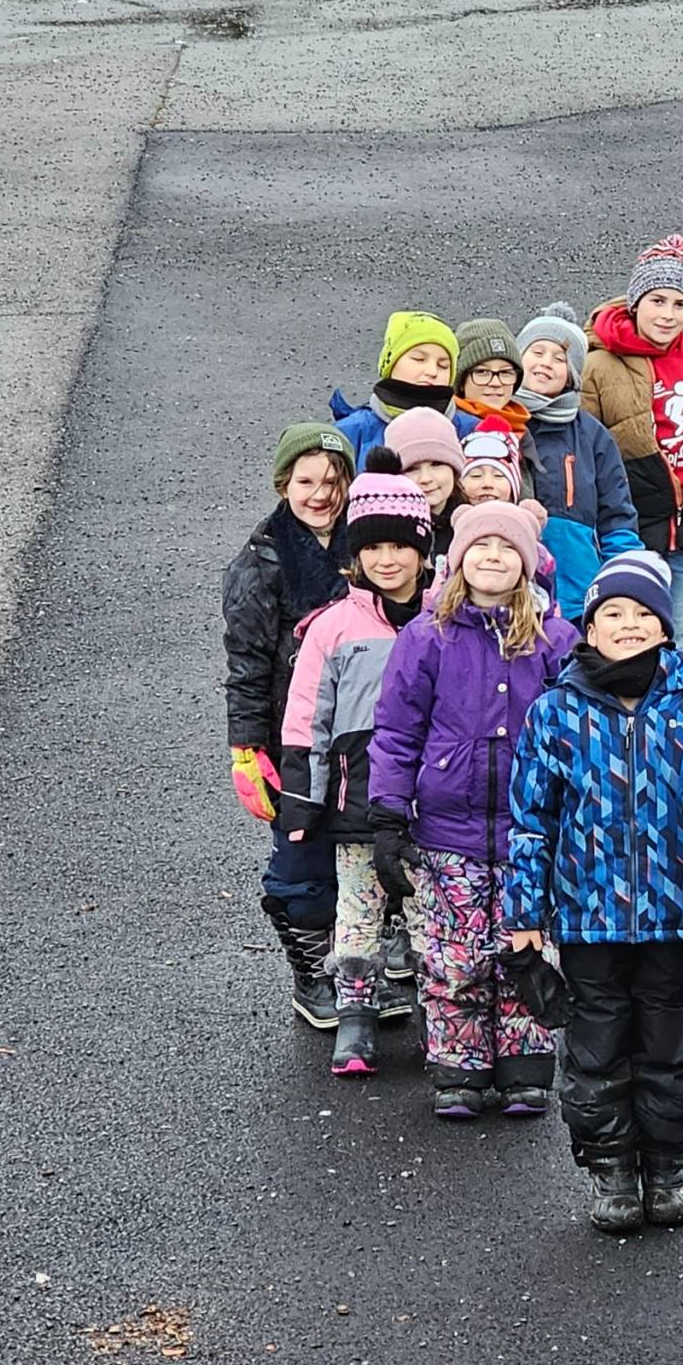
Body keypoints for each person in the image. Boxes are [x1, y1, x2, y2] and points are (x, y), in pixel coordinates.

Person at [503, 551, 683, 1234]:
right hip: (587, 922)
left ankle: (667, 1161)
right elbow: (531, 822)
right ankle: (611, 1163)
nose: (629, 624)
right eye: (613, 613)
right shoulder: (554, 715)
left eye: (644, 613)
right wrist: (524, 915)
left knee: (671, 1041)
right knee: (597, 1043)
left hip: (674, 919)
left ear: (668, 629)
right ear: (587, 628)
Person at [365, 502, 577, 1120]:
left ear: (528, 566)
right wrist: (388, 813)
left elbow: (575, 732)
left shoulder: (555, 641)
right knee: (454, 955)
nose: (492, 557)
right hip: (446, 829)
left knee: (526, 948)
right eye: (480, 547)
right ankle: (459, 1064)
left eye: (507, 549)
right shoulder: (426, 637)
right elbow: (397, 730)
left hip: (531, 831)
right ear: (458, 560)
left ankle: (525, 1063)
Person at [275, 452, 434, 1077]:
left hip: (431, 801)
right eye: (373, 549)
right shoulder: (333, 627)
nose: (387, 560)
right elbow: (306, 717)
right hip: (355, 799)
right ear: (355, 555)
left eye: (401, 547)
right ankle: (357, 1016)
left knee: (430, 912)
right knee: (358, 914)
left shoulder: (444, 619)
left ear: (424, 551)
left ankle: (440, 1014)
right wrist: (304, 799)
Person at [224, 423, 355, 1026]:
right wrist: (246, 746)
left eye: (332, 480)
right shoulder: (262, 561)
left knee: (366, 849)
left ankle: (366, 967)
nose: (320, 493)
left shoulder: (371, 546)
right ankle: (312, 972)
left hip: (362, 731)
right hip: (293, 733)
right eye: (306, 481)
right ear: (284, 484)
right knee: (302, 858)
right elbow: (247, 663)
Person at [580, 235, 683, 640]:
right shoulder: (598, 363)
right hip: (629, 526)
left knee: (674, 630)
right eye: (657, 301)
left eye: (679, 304)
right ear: (635, 303)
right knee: (622, 631)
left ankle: (668, 704)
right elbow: (583, 453)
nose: (668, 315)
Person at [511, 300, 643, 622]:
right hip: (510, 591)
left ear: (572, 375)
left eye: (560, 358)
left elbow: (617, 514)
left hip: (576, 596)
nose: (546, 364)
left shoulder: (592, 435)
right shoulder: (500, 423)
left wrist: (625, 578)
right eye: (537, 352)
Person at [329, 311, 458, 466]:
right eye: (419, 359)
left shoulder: (472, 431)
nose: (432, 371)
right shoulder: (349, 433)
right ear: (390, 363)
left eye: (443, 365)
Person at [452, 318, 529, 441]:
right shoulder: (449, 429)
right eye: (482, 372)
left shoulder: (522, 429)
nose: (495, 383)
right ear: (461, 381)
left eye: (505, 372)